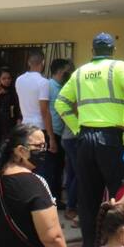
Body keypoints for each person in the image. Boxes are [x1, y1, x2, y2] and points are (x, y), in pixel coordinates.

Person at [54, 32, 124, 247]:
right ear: (113, 50)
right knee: (120, 197)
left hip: (85, 140)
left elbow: (61, 103)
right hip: (113, 139)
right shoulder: (119, 67)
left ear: (93, 51)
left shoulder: (80, 72)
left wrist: (77, 128)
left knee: (88, 200)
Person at [0, 124, 69, 247]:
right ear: (20, 150)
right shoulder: (34, 183)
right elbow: (52, 237)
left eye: (45, 145)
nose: (44, 150)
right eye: (39, 146)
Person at [16, 52, 57, 187]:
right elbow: (44, 111)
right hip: (39, 128)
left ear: (29, 63)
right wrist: (51, 137)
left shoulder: (19, 80)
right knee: (42, 167)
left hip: (25, 126)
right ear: (43, 63)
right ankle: (42, 197)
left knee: (27, 163)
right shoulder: (43, 82)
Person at [47, 58, 73, 210]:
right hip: (53, 132)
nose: (68, 73)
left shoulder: (62, 86)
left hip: (61, 132)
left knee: (58, 169)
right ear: (60, 71)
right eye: (67, 70)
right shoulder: (50, 86)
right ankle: (52, 200)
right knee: (52, 169)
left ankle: (56, 199)